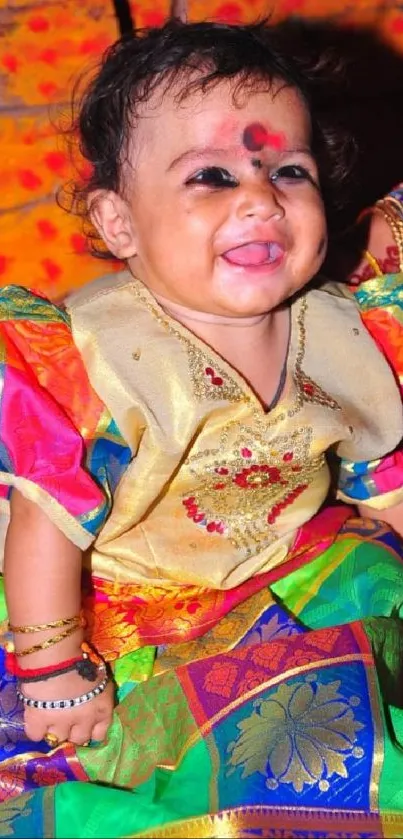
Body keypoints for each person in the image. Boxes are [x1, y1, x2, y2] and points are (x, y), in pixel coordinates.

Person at [1, 18, 403, 839]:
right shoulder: (99, 356)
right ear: (118, 225)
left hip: (286, 567)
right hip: (113, 600)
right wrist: (52, 666)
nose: (260, 197)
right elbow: (48, 522)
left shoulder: (339, 329)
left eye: (288, 170)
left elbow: (380, 473)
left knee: (355, 701)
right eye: (213, 175)